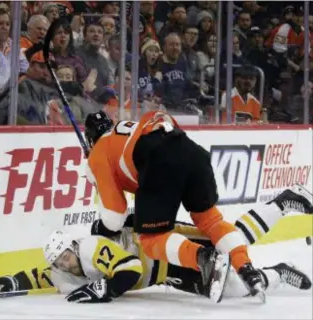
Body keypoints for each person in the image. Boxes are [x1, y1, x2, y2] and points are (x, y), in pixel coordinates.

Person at [82, 109, 312, 300]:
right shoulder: (125, 130)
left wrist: (100, 206)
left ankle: (208, 258)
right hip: (190, 151)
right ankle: (249, 268)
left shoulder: (100, 152)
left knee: (152, 240)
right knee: (212, 223)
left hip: (160, 166)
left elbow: (114, 217)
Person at [0, 187, 312, 303]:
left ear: (73, 246)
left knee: (233, 239)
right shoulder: (64, 266)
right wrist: (7, 282)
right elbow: (41, 276)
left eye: (65, 256)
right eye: (61, 263)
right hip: (166, 274)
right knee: (232, 291)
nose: (66, 264)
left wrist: (103, 291)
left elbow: (130, 269)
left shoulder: (91, 247)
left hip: (164, 246)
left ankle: (284, 201)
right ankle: (279, 273)